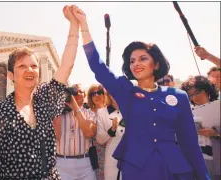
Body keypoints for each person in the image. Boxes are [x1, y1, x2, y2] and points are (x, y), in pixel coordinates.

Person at [71, 5, 210, 179]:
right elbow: (98, 67)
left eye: (143, 58)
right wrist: (84, 26)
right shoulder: (125, 90)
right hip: (136, 168)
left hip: (174, 168)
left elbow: (189, 143)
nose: (136, 63)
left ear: (156, 64)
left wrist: (204, 177)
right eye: (132, 61)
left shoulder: (178, 96)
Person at [0, 5, 79, 180]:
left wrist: (74, 25)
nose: (29, 70)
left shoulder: (45, 103)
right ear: (10, 75)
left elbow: (66, 66)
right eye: (22, 66)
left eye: (34, 66)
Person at [54, 84, 97, 180]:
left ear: (85, 95)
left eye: (80, 91)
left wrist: (75, 106)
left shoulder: (90, 114)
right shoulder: (59, 113)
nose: (76, 94)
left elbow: (89, 133)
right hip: (62, 163)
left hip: (85, 163)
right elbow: (56, 136)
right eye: (74, 91)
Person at [181, 75, 220, 180]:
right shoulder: (187, 112)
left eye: (197, 93)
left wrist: (216, 132)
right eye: (190, 95)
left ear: (207, 90)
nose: (194, 98)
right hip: (200, 160)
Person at [95, 92, 123, 180]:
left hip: (131, 159)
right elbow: (100, 139)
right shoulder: (101, 112)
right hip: (112, 160)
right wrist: (112, 130)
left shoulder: (131, 110)